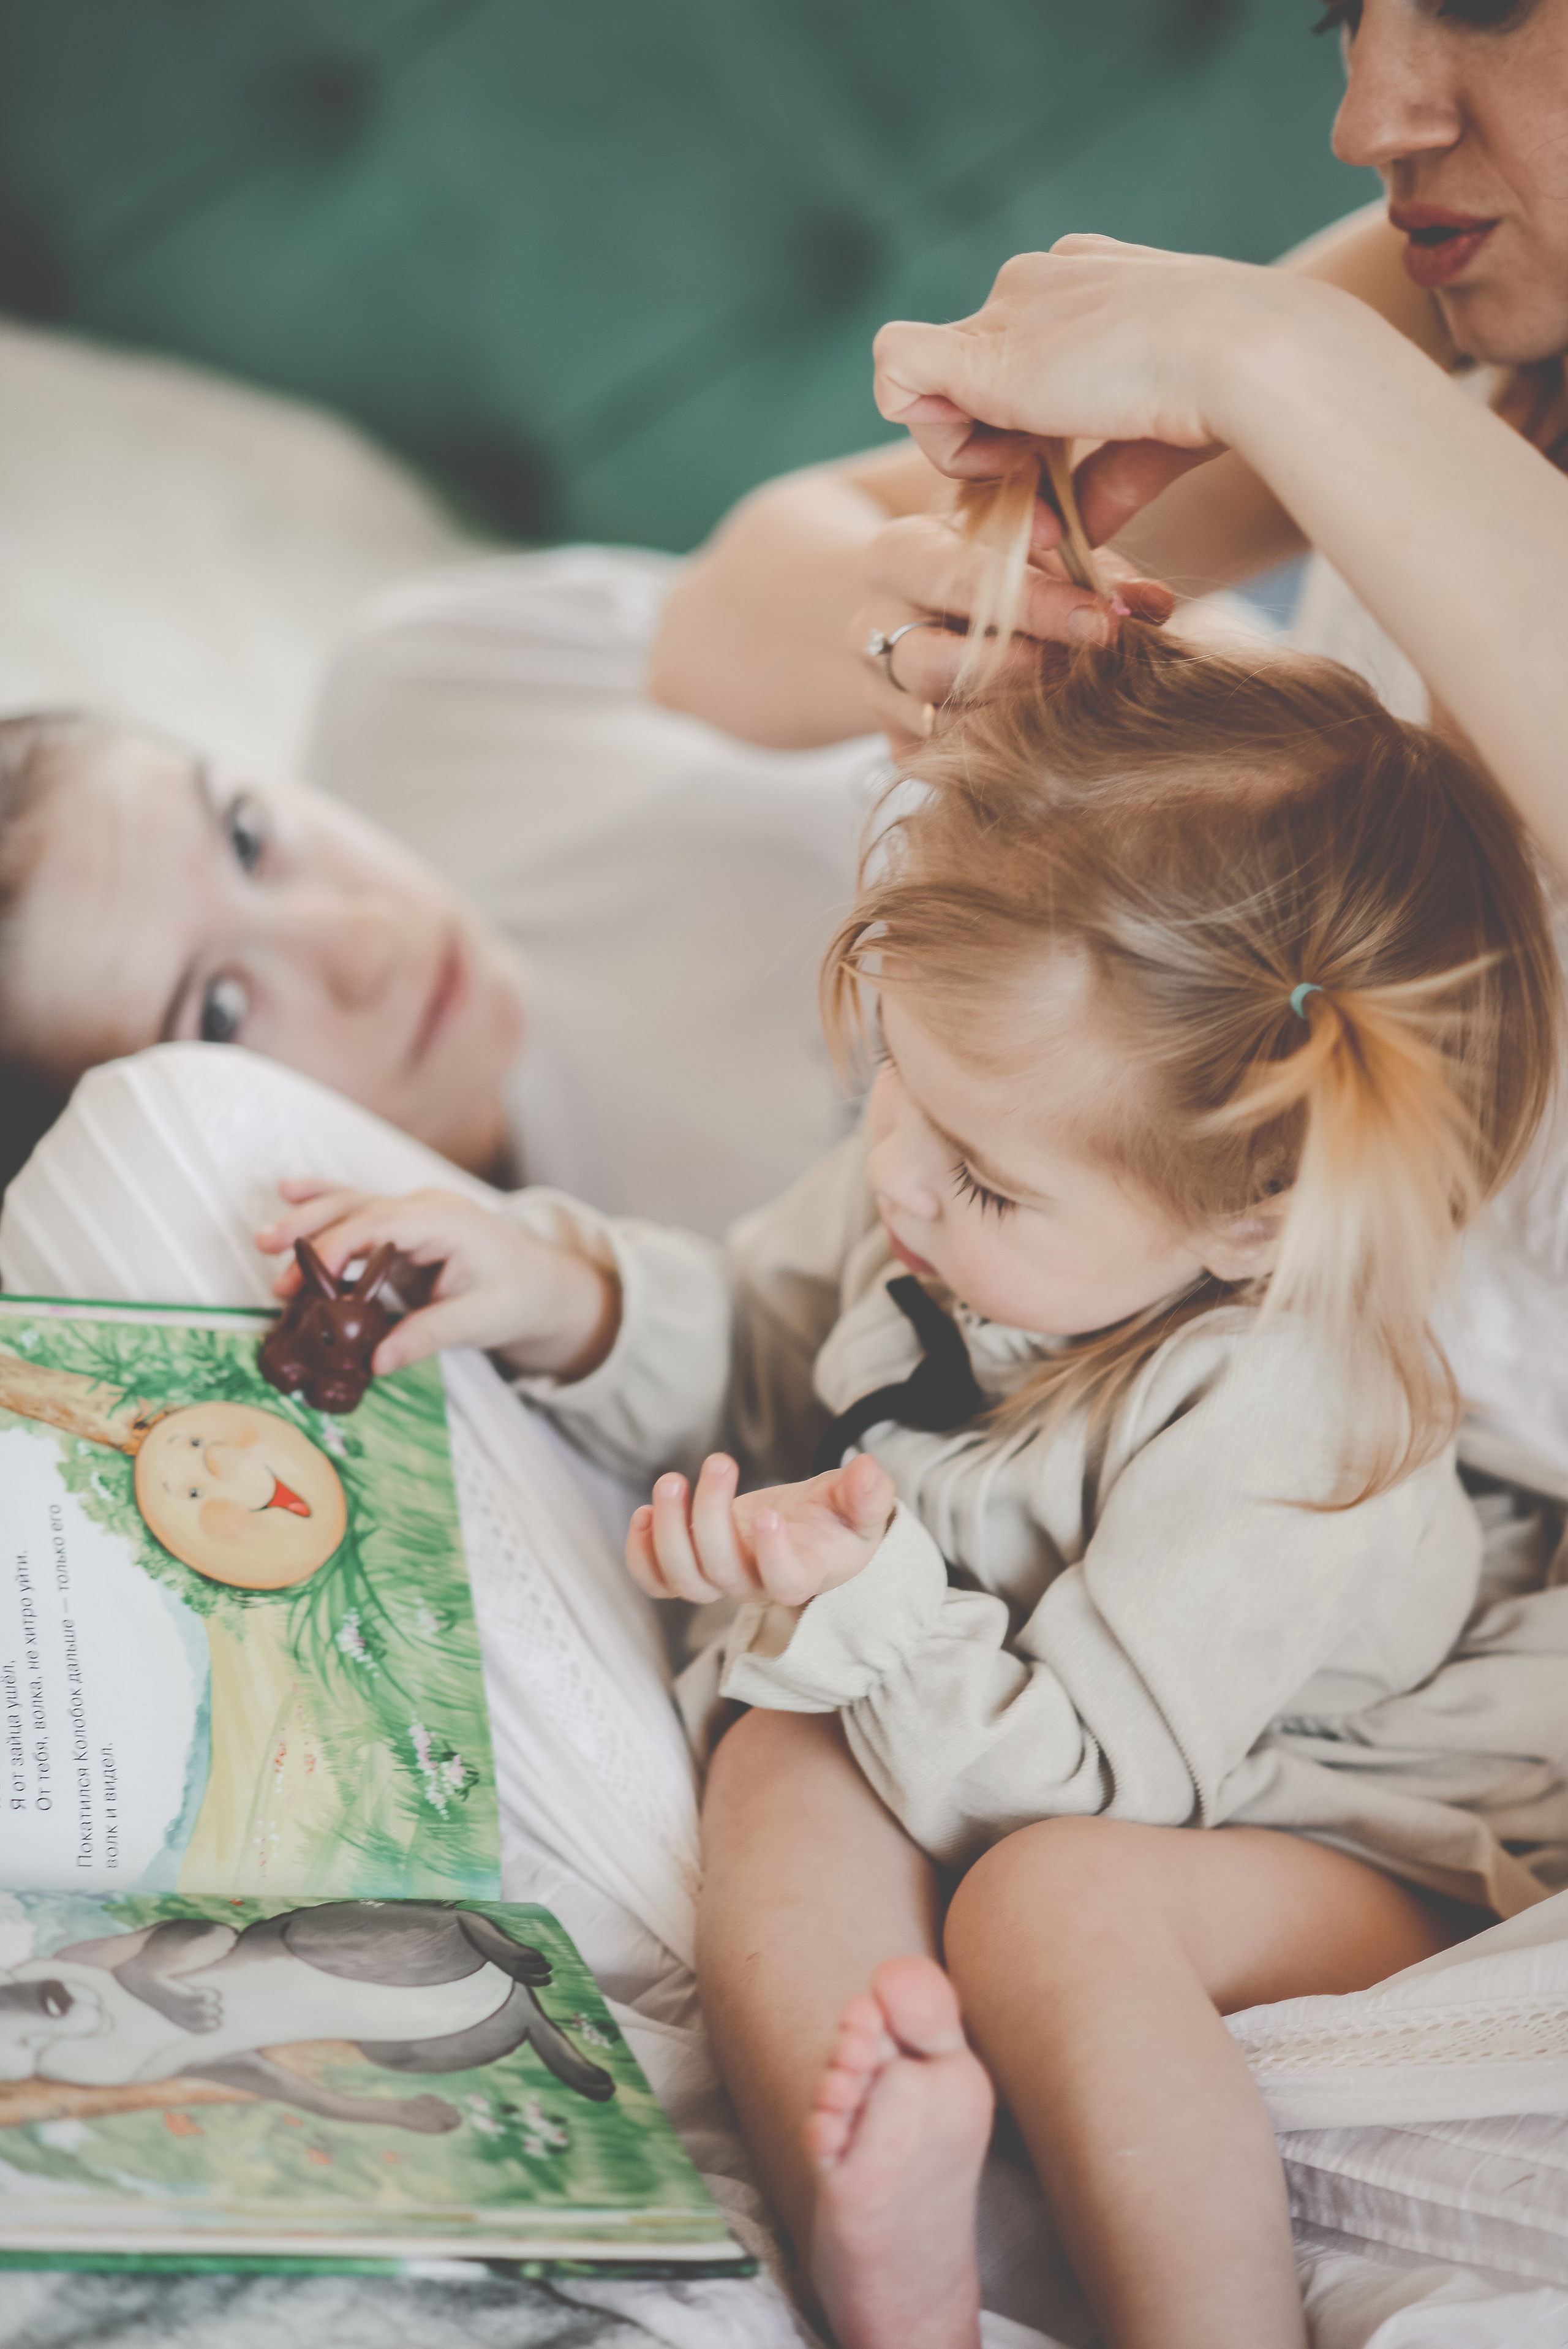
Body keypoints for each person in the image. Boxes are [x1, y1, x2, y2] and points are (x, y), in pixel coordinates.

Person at [251, 595, 1568, 2349]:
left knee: (1056, 1908)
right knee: (781, 1744)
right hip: (1013, 1715)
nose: (903, 1184)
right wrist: (564, 1292)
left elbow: (1090, 1786)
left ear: (1262, 1219)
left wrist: (863, 1598)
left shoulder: (1301, 1415)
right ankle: (884, 2245)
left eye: (990, 1181)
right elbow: (771, 1338)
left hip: (1334, 1820)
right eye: (894, 1082)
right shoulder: (941, 1175)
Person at [647, 0, 1568, 755]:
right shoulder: (1450, 294)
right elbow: (706, 626)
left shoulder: (1317, 348)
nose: (1364, 128)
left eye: (1487, 6)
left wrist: (1267, 352)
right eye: (1344, 17)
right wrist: (921, 631)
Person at [0, 556, 876, 1235]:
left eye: (246, 835)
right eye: (222, 1010)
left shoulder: (440, 685)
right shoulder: (600, 1359)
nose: (366, 939)